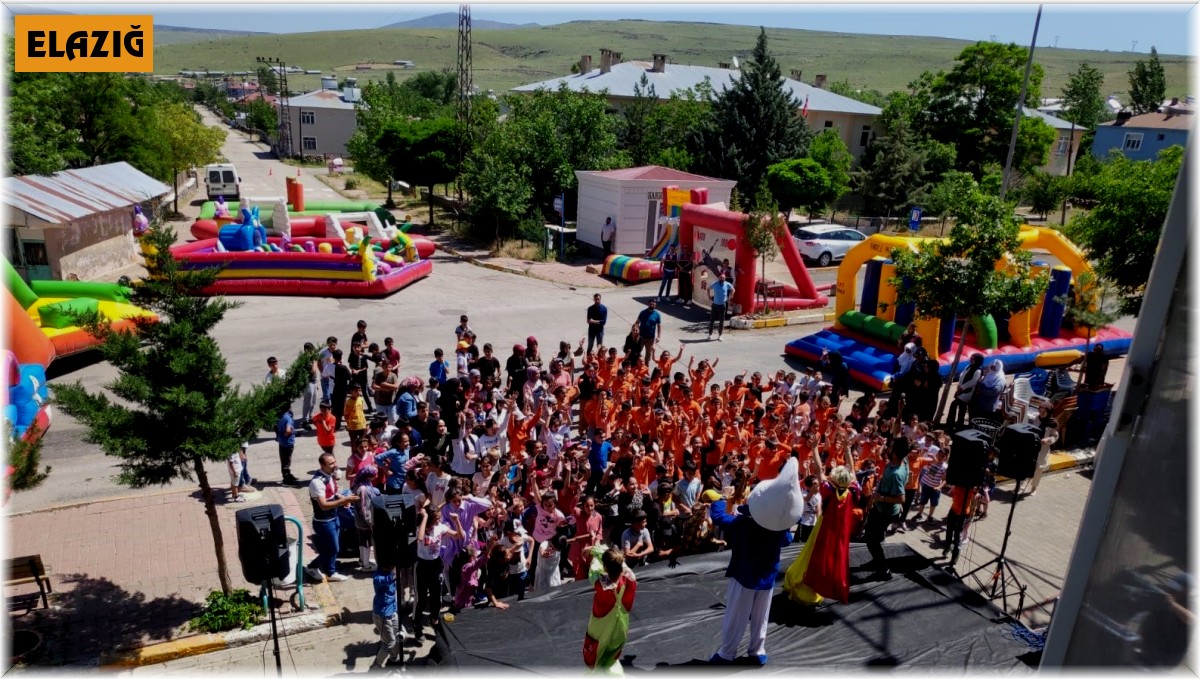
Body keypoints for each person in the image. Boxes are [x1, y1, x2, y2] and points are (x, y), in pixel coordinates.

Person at [710, 458, 805, 666]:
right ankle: (757, 651)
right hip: (767, 576)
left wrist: (720, 499)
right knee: (761, 617)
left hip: (745, 575)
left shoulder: (746, 524)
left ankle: (727, 653)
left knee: (736, 615)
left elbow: (720, 519)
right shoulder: (777, 528)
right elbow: (787, 540)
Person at [783, 450, 862, 606]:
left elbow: (819, 472)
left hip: (823, 530)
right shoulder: (852, 491)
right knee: (832, 561)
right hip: (840, 534)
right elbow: (852, 471)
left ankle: (805, 587)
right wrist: (847, 451)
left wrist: (814, 449)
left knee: (811, 557)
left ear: (835, 480)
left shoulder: (829, 491)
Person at [306, 452, 359, 583]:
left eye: (334, 462)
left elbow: (334, 493)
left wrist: (343, 499)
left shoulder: (330, 475)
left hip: (334, 517)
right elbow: (323, 505)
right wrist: (344, 500)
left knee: (331, 547)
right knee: (333, 548)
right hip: (324, 521)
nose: (335, 465)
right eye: (331, 464)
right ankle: (312, 567)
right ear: (322, 465)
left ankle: (330, 570)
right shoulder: (317, 482)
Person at [582, 546, 637, 674]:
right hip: (620, 630)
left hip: (600, 631)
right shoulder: (631, 579)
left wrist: (593, 551)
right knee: (611, 659)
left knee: (594, 664)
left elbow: (594, 569)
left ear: (605, 568)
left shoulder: (602, 584)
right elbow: (620, 563)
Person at [863, 440, 910, 580]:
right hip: (882, 509)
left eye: (890, 448)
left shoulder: (894, 474)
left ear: (894, 453)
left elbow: (902, 498)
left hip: (884, 512)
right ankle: (877, 560)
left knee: (871, 540)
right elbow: (897, 436)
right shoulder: (903, 460)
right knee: (875, 537)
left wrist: (880, 497)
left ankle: (883, 570)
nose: (887, 449)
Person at [415, 502, 462, 639]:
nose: (439, 520)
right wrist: (424, 518)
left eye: (440, 517)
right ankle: (417, 625)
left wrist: (456, 521)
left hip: (436, 564)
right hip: (423, 565)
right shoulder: (421, 527)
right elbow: (420, 538)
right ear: (430, 519)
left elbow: (458, 536)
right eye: (436, 518)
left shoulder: (441, 527)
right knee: (422, 599)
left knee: (436, 597)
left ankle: (434, 620)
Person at [371, 564, 403, 669]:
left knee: (402, 636)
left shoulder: (391, 571)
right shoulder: (379, 575)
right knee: (389, 642)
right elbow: (377, 580)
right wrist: (391, 576)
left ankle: (393, 659)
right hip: (382, 615)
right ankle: (376, 665)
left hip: (393, 611)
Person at [948, 353, 985, 428]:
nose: (971, 360)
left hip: (968, 392)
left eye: (973, 359)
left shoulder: (978, 371)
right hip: (961, 389)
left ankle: (957, 424)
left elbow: (973, 382)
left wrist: (962, 387)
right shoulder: (968, 367)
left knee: (958, 406)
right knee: (958, 406)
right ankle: (954, 423)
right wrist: (959, 385)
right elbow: (962, 375)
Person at [1027, 419, 1059, 496]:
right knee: (1027, 465)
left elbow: (1055, 436)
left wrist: (1048, 439)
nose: (1041, 413)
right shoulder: (1036, 419)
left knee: (1039, 468)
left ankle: (1034, 487)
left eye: (1044, 411)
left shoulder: (1052, 422)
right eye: (1040, 410)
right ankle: (1019, 485)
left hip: (1043, 449)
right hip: (1032, 446)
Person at [707, 271, 734, 341]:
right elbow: (708, 288)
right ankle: (710, 334)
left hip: (723, 305)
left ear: (725, 278)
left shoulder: (727, 284)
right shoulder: (715, 284)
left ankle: (720, 335)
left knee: (721, 321)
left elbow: (733, 290)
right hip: (715, 305)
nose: (722, 279)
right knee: (712, 320)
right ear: (718, 278)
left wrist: (731, 296)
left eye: (723, 278)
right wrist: (709, 296)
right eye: (721, 277)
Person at [635, 300, 662, 365]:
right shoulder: (643, 312)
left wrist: (658, 336)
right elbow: (637, 322)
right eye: (651, 304)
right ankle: (636, 364)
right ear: (648, 304)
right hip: (641, 336)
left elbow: (659, 326)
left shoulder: (657, 314)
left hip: (650, 338)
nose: (652, 305)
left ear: (655, 306)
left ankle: (646, 365)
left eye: (654, 304)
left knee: (649, 353)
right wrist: (636, 332)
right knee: (637, 351)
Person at [275, 408, 298, 485]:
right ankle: (286, 479)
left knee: (284, 460)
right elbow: (288, 430)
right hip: (288, 443)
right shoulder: (288, 418)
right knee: (286, 461)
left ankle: (288, 475)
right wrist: (287, 433)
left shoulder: (279, 416)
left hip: (282, 442)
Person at [301, 342, 321, 429]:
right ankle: (305, 420)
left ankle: (310, 416)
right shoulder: (305, 359)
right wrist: (315, 363)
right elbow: (313, 370)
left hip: (313, 381)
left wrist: (317, 382)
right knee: (307, 401)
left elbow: (315, 372)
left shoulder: (312, 358)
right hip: (307, 382)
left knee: (313, 401)